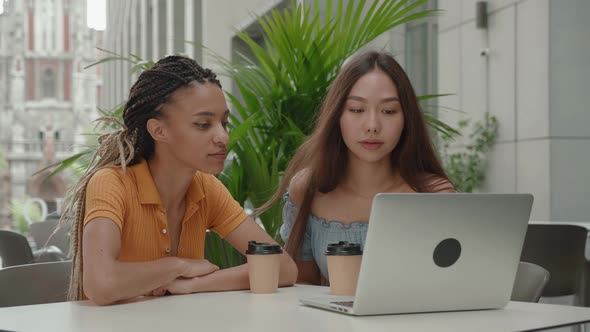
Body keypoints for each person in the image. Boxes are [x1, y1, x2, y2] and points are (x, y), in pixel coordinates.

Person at [60, 56, 297, 305]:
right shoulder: (111, 183)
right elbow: (101, 284)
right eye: (203, 124)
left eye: (224, 123)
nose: (223, 137)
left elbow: (282, 267)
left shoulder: (207, 188)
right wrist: (178, 266)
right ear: (159, 131)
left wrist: (194, 284)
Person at [257, 51, 455, 285]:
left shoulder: (435, 195)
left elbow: (452, 287)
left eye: (389, 111)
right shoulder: (308, 188)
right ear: (337, 115)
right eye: (357, 110)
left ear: (406, 120)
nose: (372, 126)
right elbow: (302, 291)